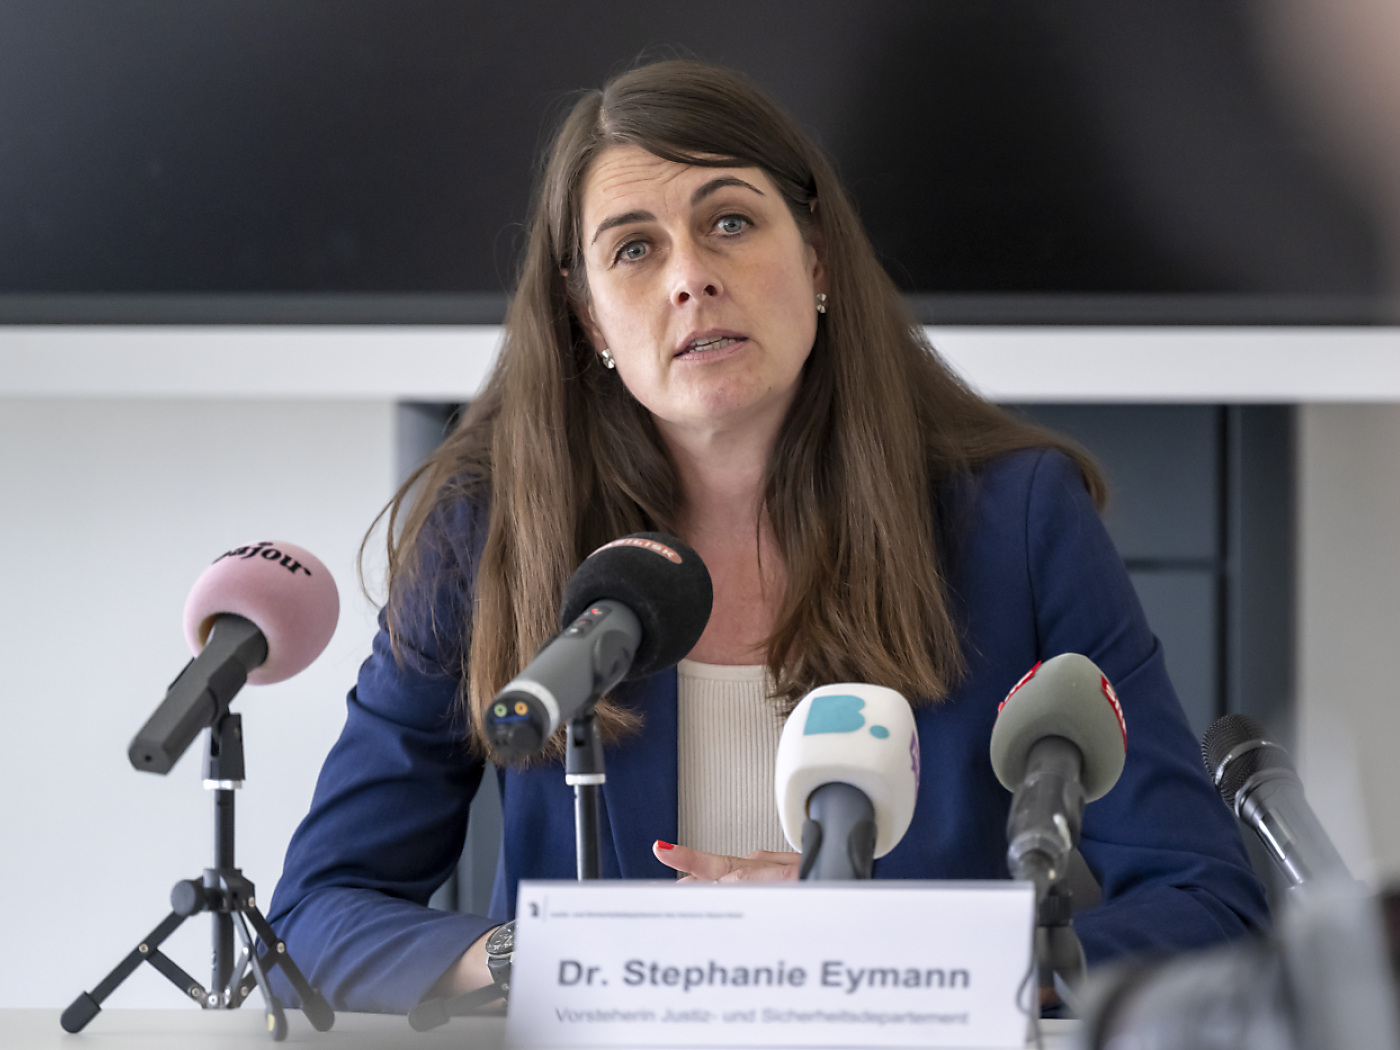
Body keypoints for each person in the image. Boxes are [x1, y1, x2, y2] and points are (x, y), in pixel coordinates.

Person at [266, 58, 1268, 1014]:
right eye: (633, 249)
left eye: (730, 222)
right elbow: (312, 920)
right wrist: (549, 956)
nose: (690, 278)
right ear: (587, 319)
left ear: (816, 256)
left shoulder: (1018, 522)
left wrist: (898, 946)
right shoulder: (487, 535)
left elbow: (1208, 908)